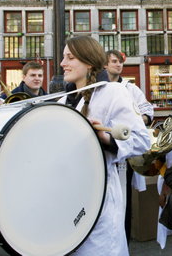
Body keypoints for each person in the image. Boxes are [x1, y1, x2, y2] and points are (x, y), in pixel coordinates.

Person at [58, 36, 150, 256]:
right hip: (68, 202)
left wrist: (106, 139)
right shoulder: (64, 101)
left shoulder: (113, 92)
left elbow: (141, 140)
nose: (62, 63)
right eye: (63, 57)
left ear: (89, 62)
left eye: (70, 57)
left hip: (99, 205)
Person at [104, 49, 154, 243]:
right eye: (114, 61)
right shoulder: (99, 88)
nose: (118, 65)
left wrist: (134, 122)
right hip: (105, 150)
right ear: (104, 65)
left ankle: (123, 241)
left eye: (120, 62)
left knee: (124, 202)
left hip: (125, 152)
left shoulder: (130, 88)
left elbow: (147, 110)